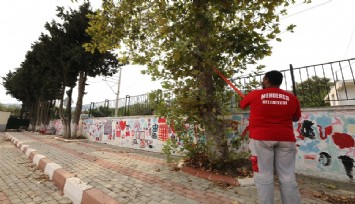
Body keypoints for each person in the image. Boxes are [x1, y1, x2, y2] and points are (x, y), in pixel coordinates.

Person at [239, 70, 302, 204]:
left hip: (261, 139)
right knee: (287, 175)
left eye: (263, 79)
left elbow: (242, 105)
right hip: (286, 139)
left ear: (266, 80)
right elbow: (296, 118)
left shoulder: (256, 94)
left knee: (263, 175)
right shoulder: (291, 97)